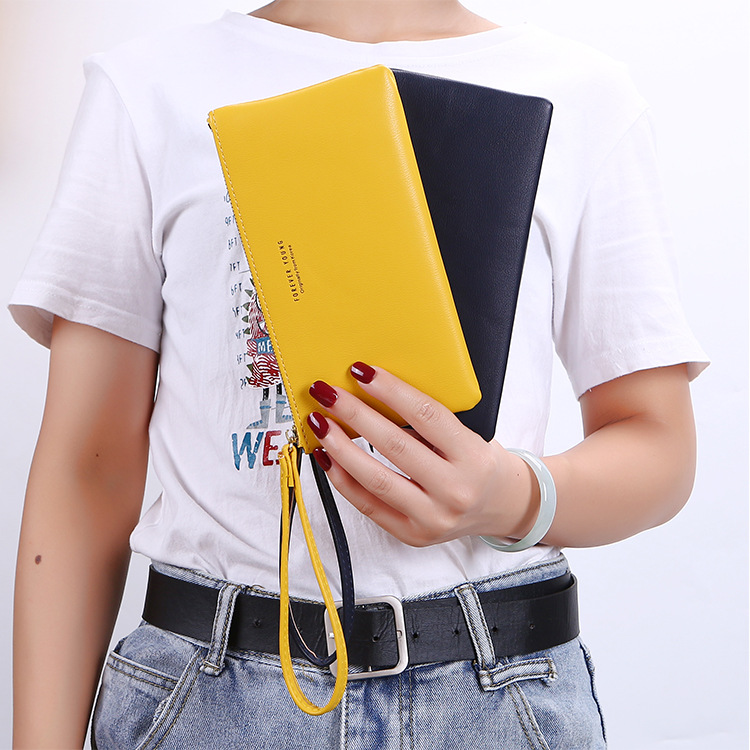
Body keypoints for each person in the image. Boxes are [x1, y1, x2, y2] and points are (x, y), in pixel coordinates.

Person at [10, 1, 709, 748]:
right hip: (213, 695)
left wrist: (510, 497)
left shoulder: (583, 94)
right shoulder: (147, 87)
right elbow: (91, 470)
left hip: (496, 693)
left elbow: (658, 446)